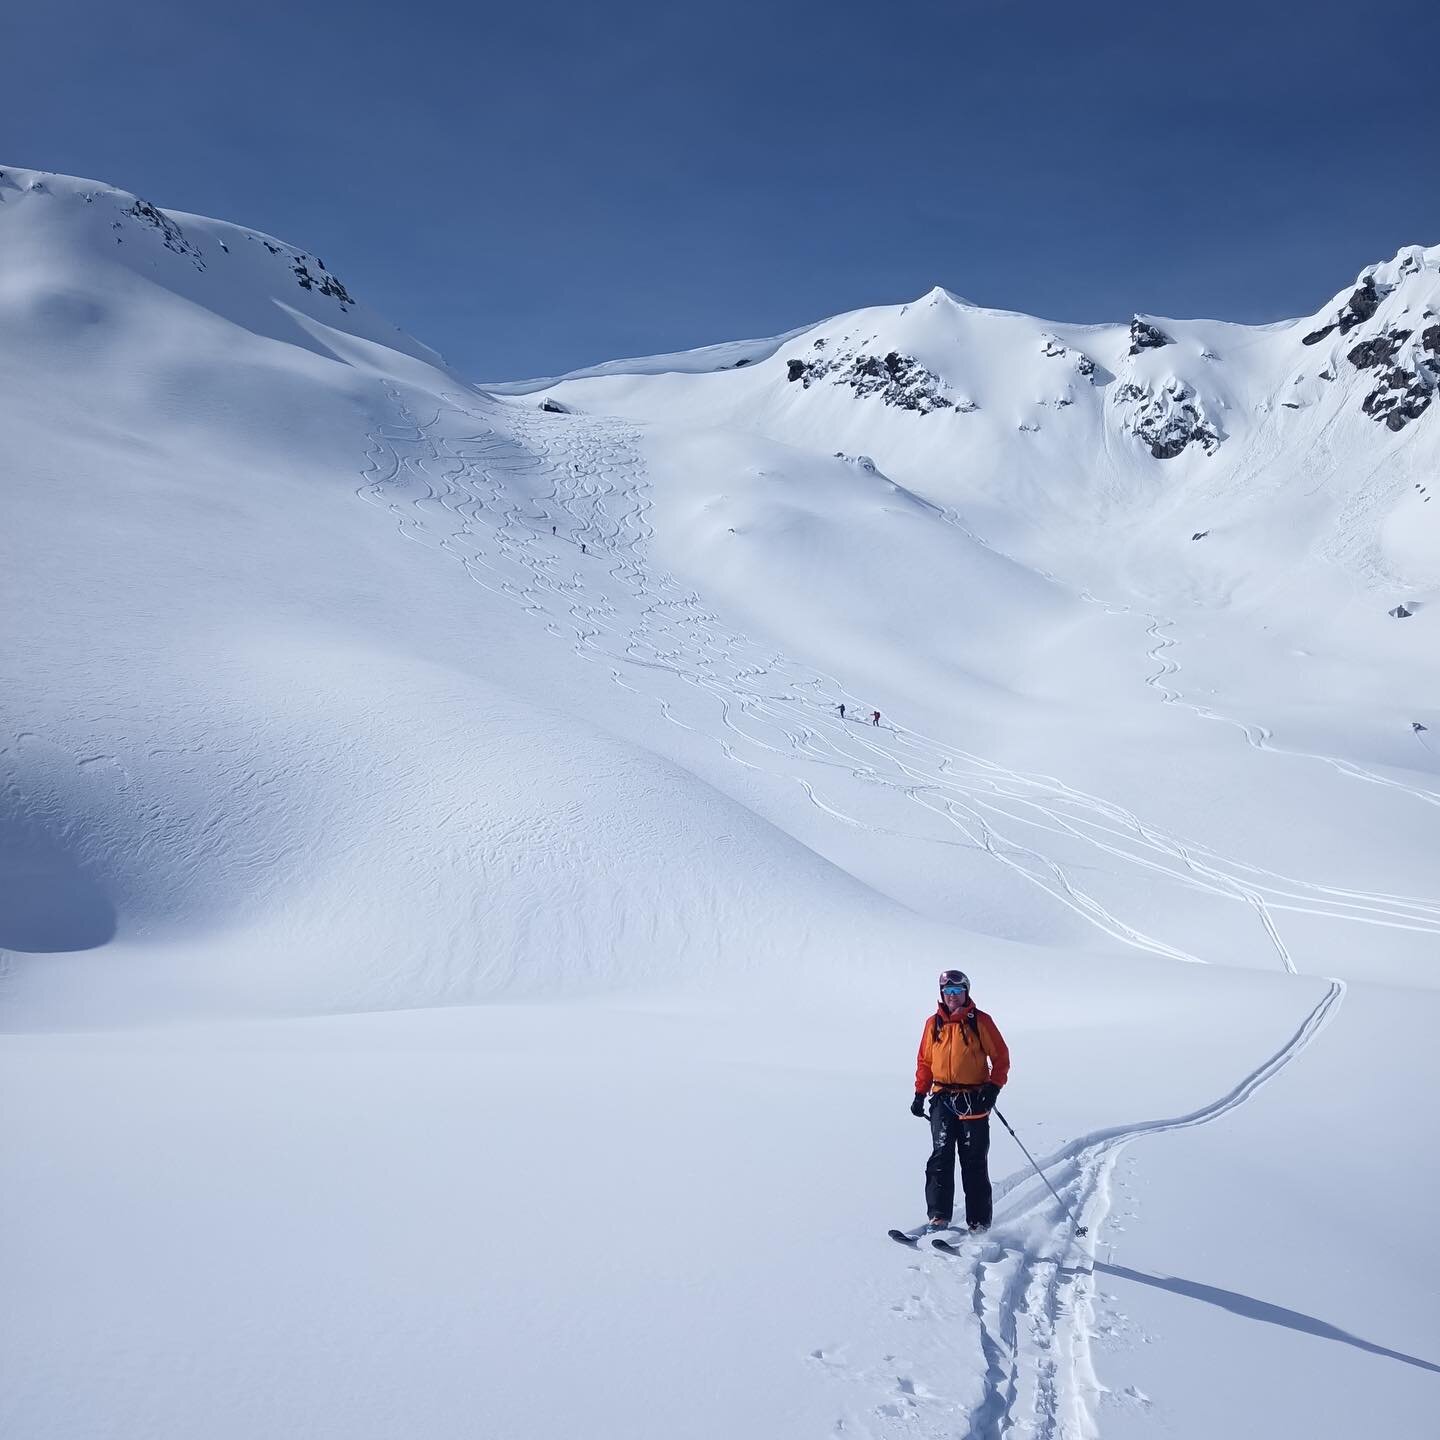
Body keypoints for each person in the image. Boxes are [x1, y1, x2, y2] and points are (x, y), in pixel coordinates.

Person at [910, 969, 1009, 1233]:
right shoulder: (933, 1024)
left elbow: (1001, 1058)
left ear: (966, 992)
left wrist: (993, 1087)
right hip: (942, 1097)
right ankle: (939, 1215)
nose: (952, 996)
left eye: (957, 991)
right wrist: (920, 1093)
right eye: (947, 992)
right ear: (942, 994)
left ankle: (978, 1222)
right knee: (940, 1156)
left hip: (973, 1099)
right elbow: (925, 1062)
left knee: (973, 1159)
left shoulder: (980, 1021)